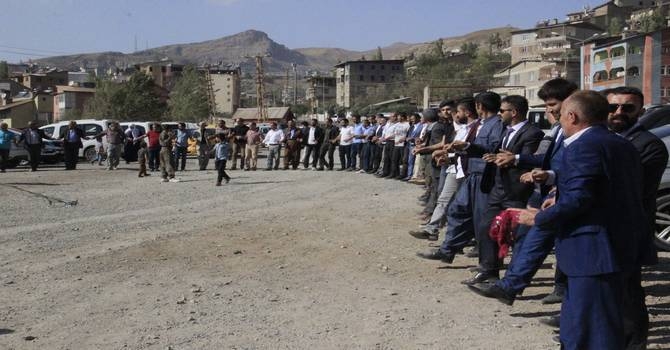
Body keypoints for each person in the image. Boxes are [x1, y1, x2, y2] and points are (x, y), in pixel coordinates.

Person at [514, 90, 647, 350]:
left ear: (572, 116)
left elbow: (580, 199)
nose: (559, 121)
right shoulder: (619, 142)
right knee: (586, 325)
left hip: (593, 251)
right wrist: (560, 196)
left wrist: (541, 217)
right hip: (613, 247)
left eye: (561, 115)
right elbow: (603, 191)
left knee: (593, 329)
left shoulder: (582, 145)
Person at [603, 86, 668, 349]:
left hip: (628, 228)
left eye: (627, 108)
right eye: (613, 107)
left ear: (640, 111)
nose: (619, 113)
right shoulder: (604, 139)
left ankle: (633, 342)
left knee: (628, 290)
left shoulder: (648, 145)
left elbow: (630, 189)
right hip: (604, 225)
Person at [417, 92, 504, 277]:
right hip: (471, 174)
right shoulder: (481, 125)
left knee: (482, 221)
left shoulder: (496, 124)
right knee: (457, 210)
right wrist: (456, 153)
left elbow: (492, 148)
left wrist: (465, 147)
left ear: (480, 106)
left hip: (484, 177)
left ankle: (489, 267)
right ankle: (448, 250)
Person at [409, 98, 479, 240]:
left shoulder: (475, 128)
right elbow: (446, 145)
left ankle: (462, 237)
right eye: (443, 110)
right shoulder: (450, 127)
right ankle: (432, 229)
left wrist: (435, 151)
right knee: (444, 199)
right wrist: (444, 154)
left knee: (462, 205)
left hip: (466, 170)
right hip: (453, 168)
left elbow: (471, 149)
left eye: (452, 111)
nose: (448, 113)